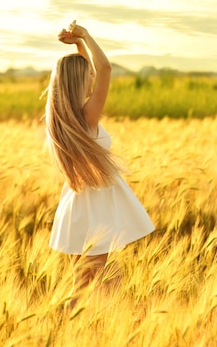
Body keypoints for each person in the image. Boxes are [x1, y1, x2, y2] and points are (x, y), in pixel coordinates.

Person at [44, 20, 155, 305]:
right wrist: (86, 34)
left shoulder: (63, 119)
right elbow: (105, 68)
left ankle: (75, 330)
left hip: (77, 207)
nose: (93, 77)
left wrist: (79, 46)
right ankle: (76, 330)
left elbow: (93, 69)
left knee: (91, 283)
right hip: (94, 211)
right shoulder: (87, 117)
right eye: (87, 75)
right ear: (80, 81)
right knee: (99, 285)